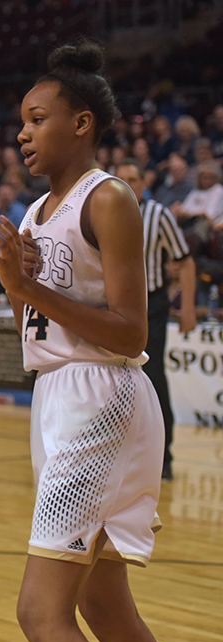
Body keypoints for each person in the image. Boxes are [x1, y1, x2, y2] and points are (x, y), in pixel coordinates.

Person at [0, 41, 164, 642]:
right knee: (103, 608)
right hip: (58, 395)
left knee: (40, 613)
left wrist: (29, 284)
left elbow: (131, 332)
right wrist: (16, 287)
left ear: (81, 122)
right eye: (21, 123)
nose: (23, 134)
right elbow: (34, 332)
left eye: (37, 119)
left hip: (102, 395)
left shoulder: (107, 197)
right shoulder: (35, 211)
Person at [116, 158, 196, 482]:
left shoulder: (158, 215)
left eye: (133, 179)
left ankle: (164, 458)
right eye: (121, 180)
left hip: (152, 309)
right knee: (115, 386)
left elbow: (185, 261)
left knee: (153, 380)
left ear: (143, 183)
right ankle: (121, 455)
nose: (128, 185)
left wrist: (188, 308)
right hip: (114, 311)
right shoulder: (103, 216)